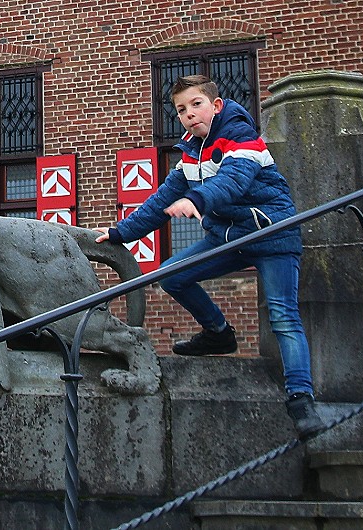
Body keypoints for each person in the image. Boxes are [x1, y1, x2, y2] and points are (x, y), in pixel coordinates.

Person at [94, 75, 323, 437]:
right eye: (181, 110)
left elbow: (234, 181)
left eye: (196, 104)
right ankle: (218, 334)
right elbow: (162, 199)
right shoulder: (190, 151)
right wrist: (121, 232)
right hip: (228, 236)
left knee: (283, 316)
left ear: (215, 106)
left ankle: (301, 398)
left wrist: (197, 200)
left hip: (270, 234)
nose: (188, 114)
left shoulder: (240, 136)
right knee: (171, 274)